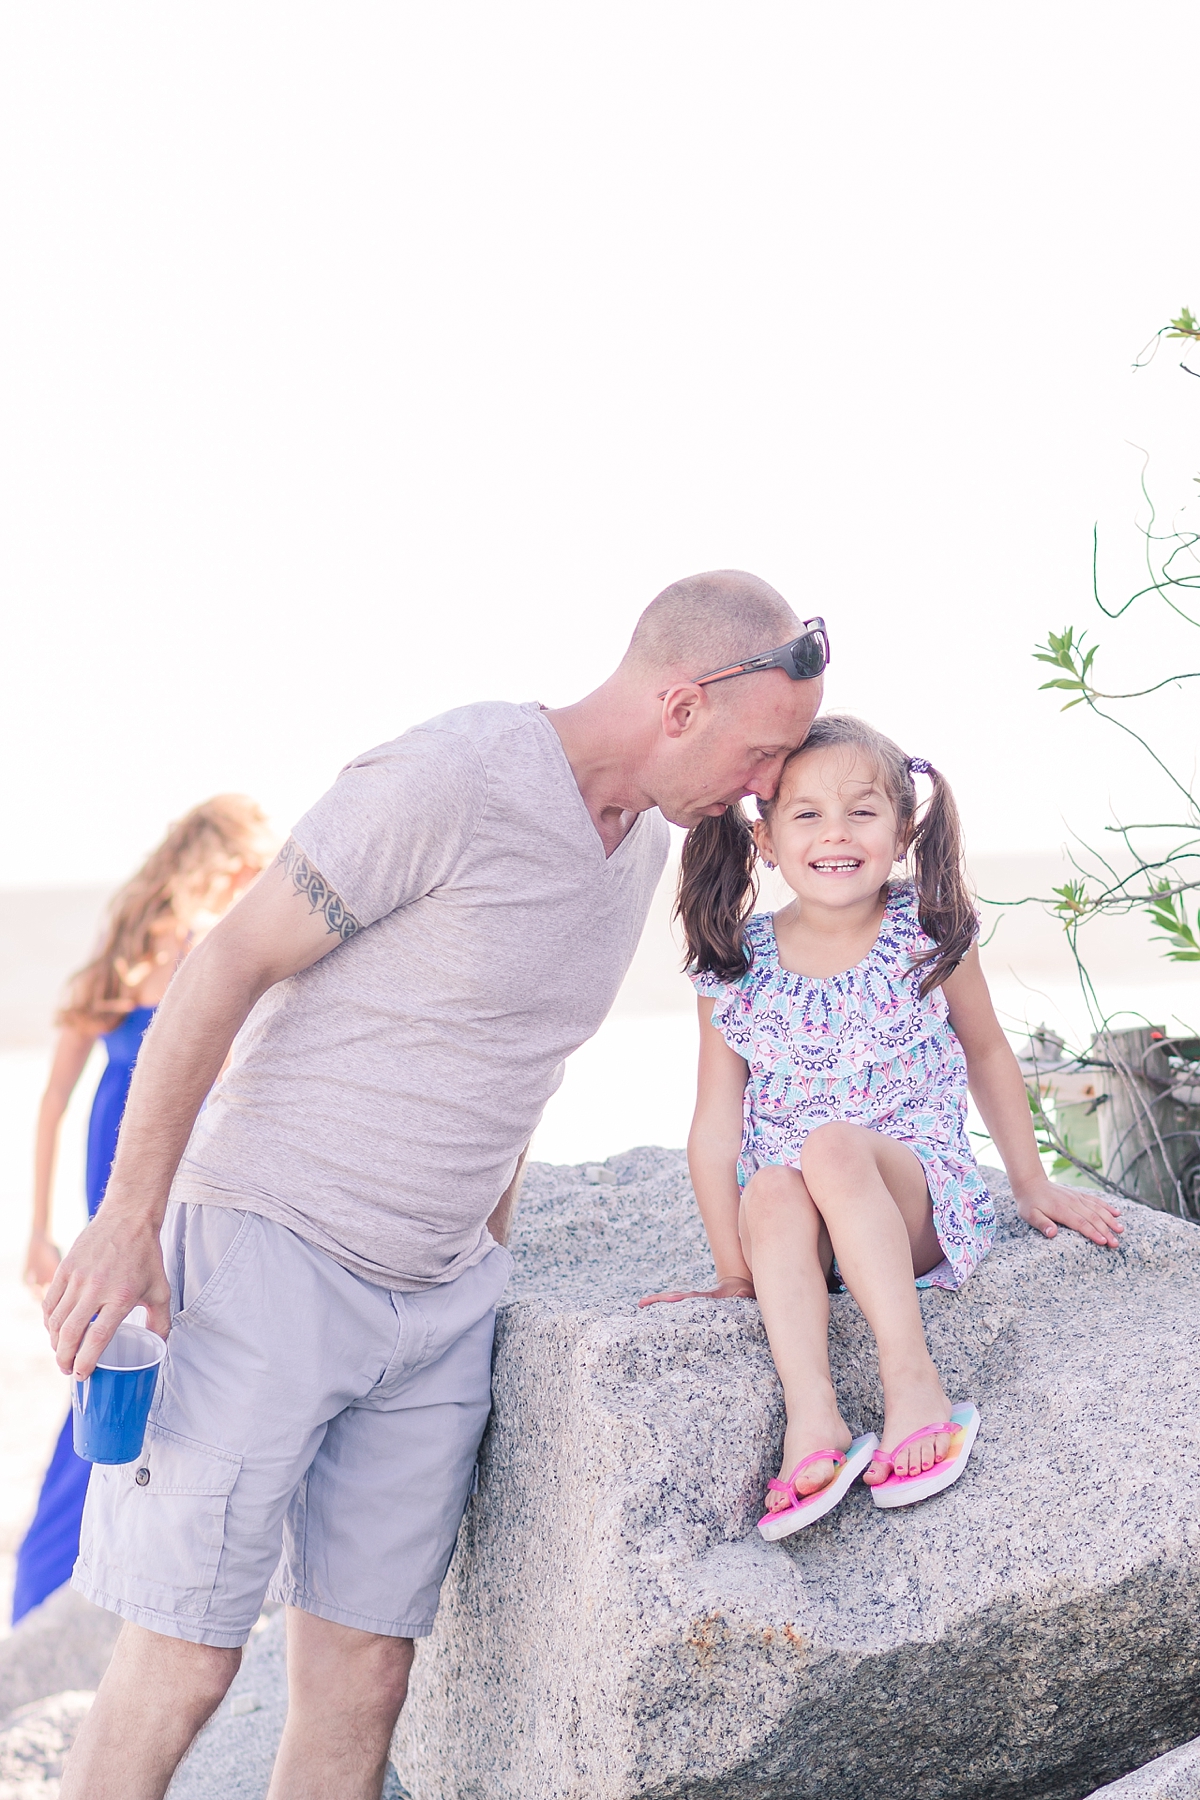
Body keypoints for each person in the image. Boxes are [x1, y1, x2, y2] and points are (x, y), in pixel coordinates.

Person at [41, 571, 827, 1800]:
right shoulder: (454, 775)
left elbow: (518, 1068)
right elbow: (227, 961)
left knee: (363, 1682)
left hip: (437, 1307)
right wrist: (130, 1217)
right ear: (682, 706)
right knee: (189, 1657)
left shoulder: (645, 855)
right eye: (766, 751)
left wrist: (488, 1262)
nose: (769, 786)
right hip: (271, 1251)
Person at [642, 714, 1123, 1536]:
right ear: (764, 838)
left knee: (829, 1146)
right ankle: (815, 1417)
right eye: (807, 815)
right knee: (768, 1180)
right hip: (809, 1237)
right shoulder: (736, 964)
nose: (836, 834)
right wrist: (734, 1269)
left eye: (862, 812)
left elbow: (990, 1055)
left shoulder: (924, 933)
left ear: (903, 833)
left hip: (913, 1205)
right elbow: (715, 1125)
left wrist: (1032, 1181)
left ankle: (913, 1383)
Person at [15, 796, 272, 1624]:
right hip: (144, 1177)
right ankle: (60, 1586)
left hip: (145, 1171)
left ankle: (69, 1583)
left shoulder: (150, 951)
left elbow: (61, 1098)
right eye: (257, 862)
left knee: (122, 1365)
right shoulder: (186, 952)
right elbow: (54, 1095)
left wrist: (39, 1225)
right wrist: (36, 1229)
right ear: (228, 861)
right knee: (113, 1365)